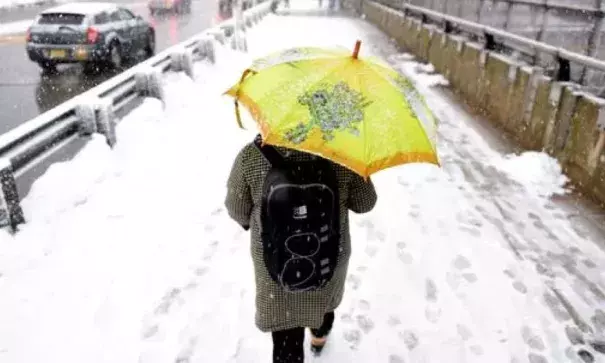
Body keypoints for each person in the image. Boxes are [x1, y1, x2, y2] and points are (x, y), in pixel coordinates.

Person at [225, 134, 377, 362]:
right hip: (327, 258)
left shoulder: (252, 156)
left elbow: (236, 208)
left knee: (285, 334)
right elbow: (366, 202)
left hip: (276, 268)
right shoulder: (342, 153)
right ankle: (319, 338)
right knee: (323, 305)